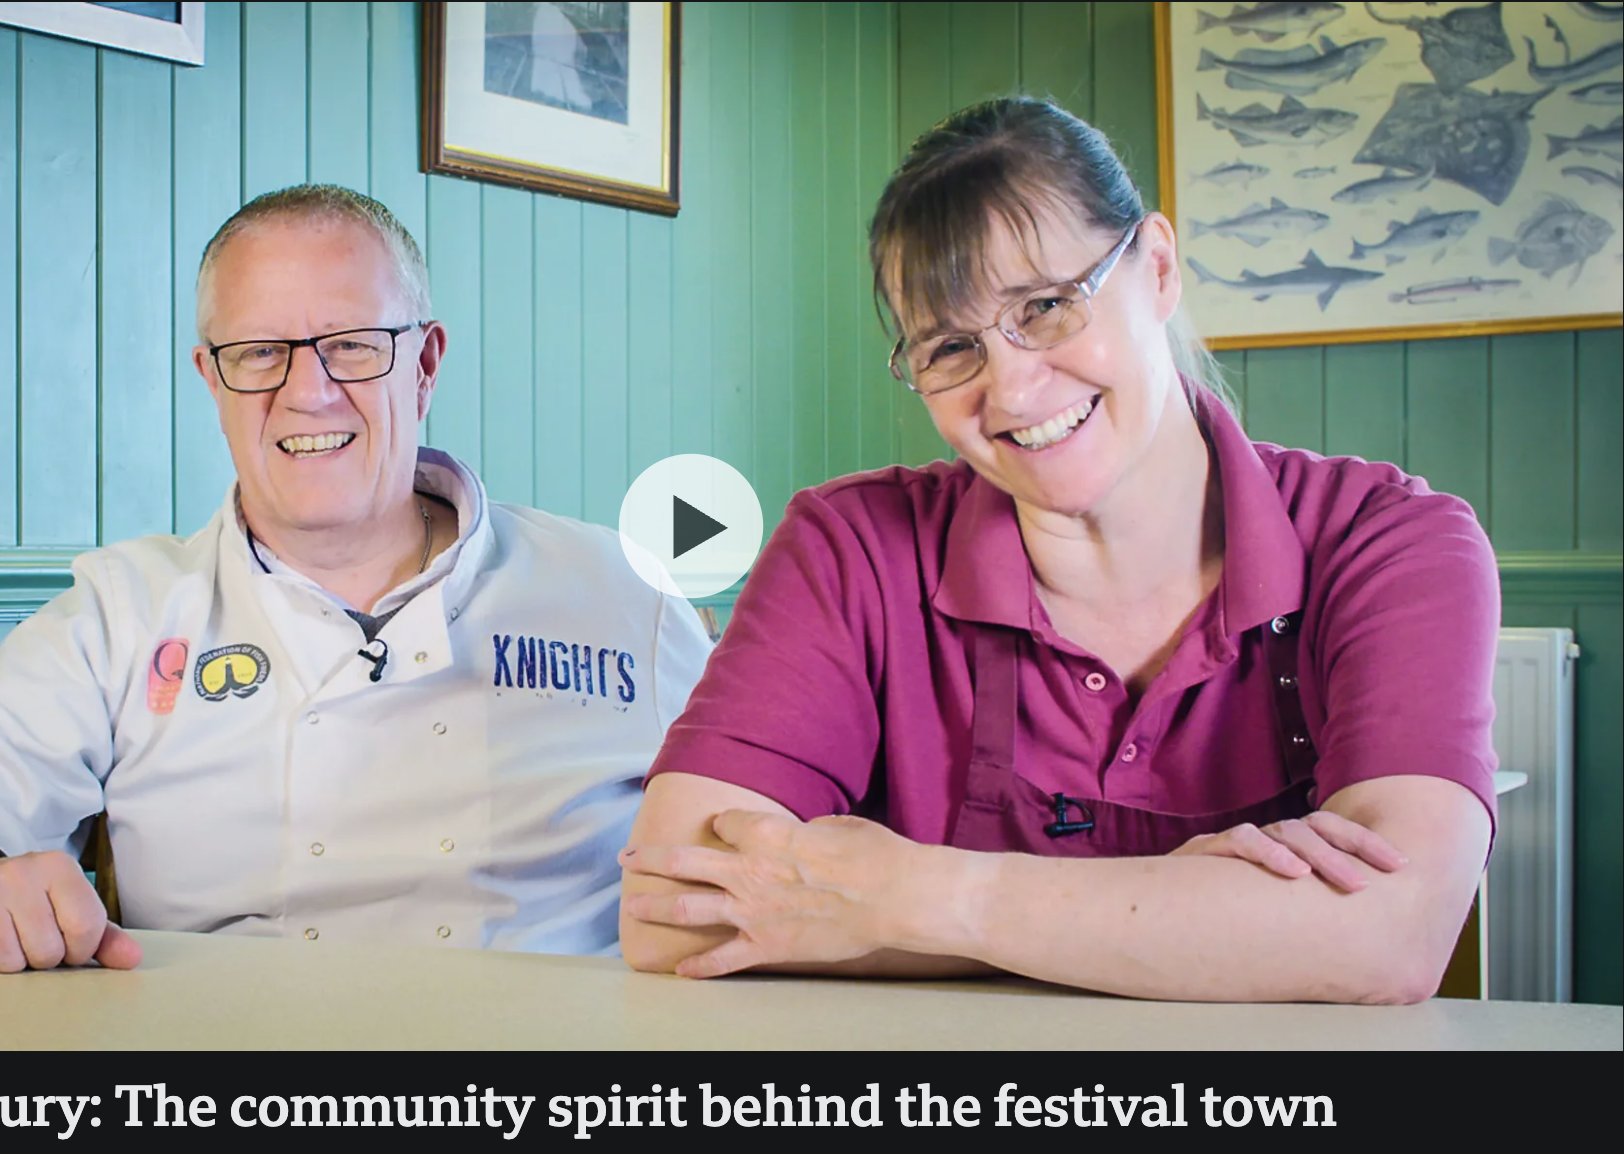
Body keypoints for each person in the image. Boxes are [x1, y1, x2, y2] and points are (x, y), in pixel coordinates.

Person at [618, 98, 1496, 1003]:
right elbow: (673, 908)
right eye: (951, 346)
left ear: (1156, 267)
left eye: (1045, 306)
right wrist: (1197, 913)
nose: (1010, 386)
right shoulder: (847, 548)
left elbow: (1392, 934)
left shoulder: (1391, 541)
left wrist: (900, 896)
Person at [0, 184, 711, 972]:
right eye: (259, 353)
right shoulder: (127, 613)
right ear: (211, 380)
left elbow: (774, 845)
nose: (308, 391)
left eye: (353, 343)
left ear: (424, 363)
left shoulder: (623, 593)